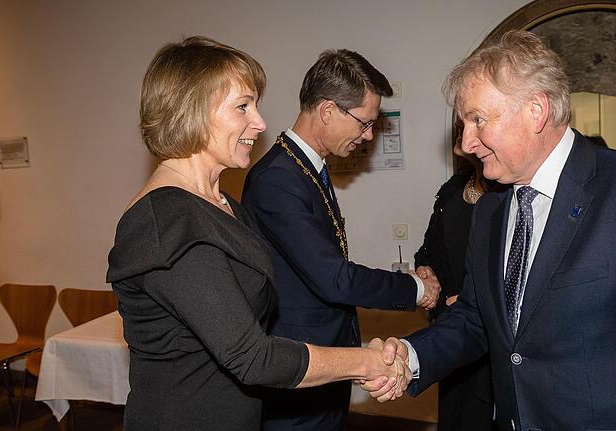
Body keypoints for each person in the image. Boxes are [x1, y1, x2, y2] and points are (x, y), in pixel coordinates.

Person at [367, 30, 616, 430]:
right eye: (464, 123)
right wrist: (410, 357)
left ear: (536, 110)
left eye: (478, 120)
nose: (466, 142)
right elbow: (477, 317)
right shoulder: (490, 210)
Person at [106, 36, 409, 431]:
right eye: (243, 106)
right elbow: (252, 356)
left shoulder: (224, 205)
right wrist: (364, 361)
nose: (261, 123)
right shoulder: (166, 220)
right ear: (193, 111)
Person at [240, 49, 440, 431]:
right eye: (365, 124)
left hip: (327, 356)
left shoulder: (306, 168)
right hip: (299, 368)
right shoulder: (277, 179)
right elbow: (334, 278)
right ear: (328, 111)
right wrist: (415, 289)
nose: (367, 137)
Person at [414, 120, 495, 431]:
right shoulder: (451, 191)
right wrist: (424, 270)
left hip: (488, 340)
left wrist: (478, 300)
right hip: (450, 330)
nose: (466, 139)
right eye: (461, 129)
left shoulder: (508, 194)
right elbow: (429, 250)